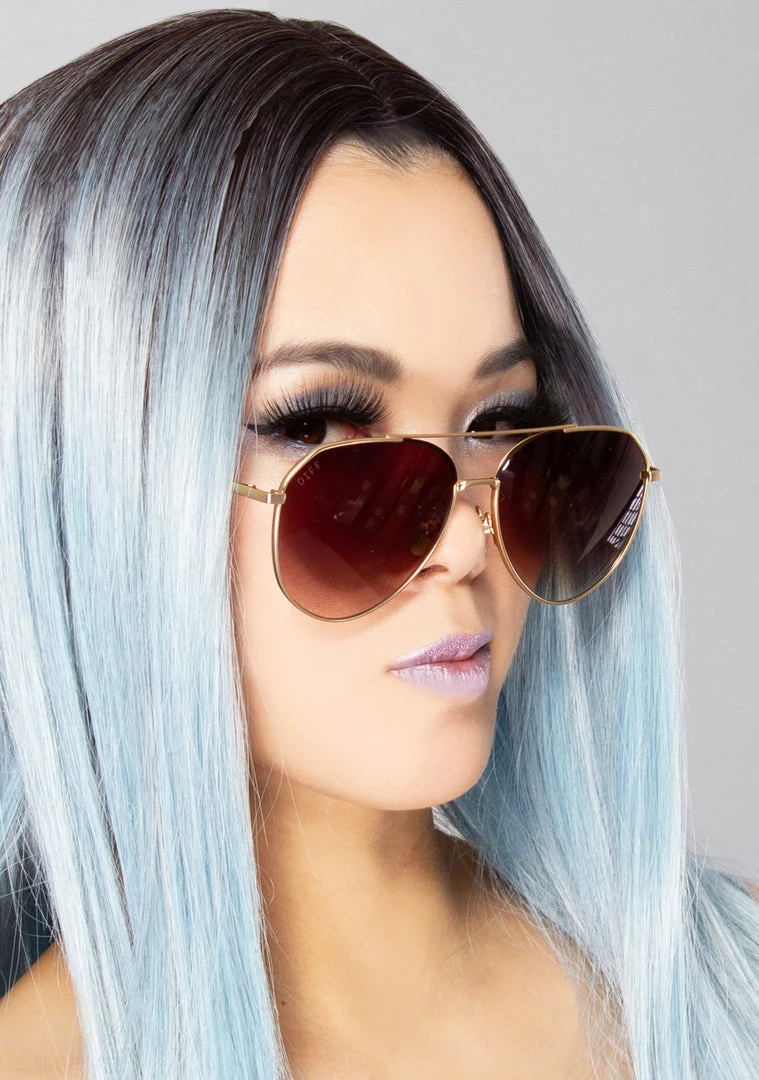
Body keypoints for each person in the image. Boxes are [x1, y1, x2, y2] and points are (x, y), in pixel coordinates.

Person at [0, 9, 756, 1079]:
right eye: (316, 427)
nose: (467, 540)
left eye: (501, 424)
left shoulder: (730, 988)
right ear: (83, 482)